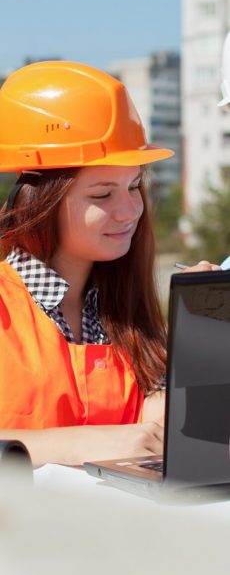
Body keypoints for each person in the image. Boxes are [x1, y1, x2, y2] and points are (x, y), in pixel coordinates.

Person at [0, 60, 175, 467]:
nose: (130, 210)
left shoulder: (131, 316)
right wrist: (90, 444)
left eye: (134, 186)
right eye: (102, 195)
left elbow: (161, 439)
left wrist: (196, 341)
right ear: (41, 202)